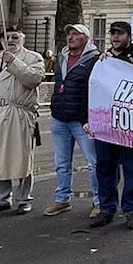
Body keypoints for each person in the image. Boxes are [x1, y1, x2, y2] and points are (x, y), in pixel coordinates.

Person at [0, 26, 45, 214]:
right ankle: (1, 199)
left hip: (19, 113)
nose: (10, 40)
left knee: (20, 158)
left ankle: (24, 199)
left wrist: (14, 62)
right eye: (6, 37)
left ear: (23, 39)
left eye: (15, 37)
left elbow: (33, 79)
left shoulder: (33, 58)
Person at [86, 21, 133, 229]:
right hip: (106, 124)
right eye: (112, 33)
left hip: (130, 125)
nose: (115, 37)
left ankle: (132, 209)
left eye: (119, 34)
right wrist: (87, 119)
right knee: (105, 167)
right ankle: (107, 208)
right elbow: (91, 89)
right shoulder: (101, 61)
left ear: (128, 36)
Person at [46, 24, 101, 217]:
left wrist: (88, 117)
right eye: (68, 33)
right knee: (61, 163)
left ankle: (99, 201)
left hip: (82, 120)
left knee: (93, 163)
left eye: (75, 34)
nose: (70, 37)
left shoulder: (95, 59)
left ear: (85, 38)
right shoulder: (61, 56)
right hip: (60, 117)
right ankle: (62, 199)